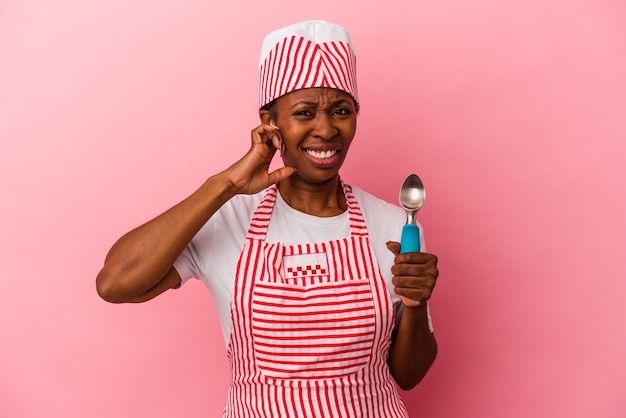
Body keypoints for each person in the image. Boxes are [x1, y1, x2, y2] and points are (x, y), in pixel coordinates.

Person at [97, 20, 439, 417]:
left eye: (341, 111)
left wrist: (414, 305)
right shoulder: (227, 219)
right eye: (305, 112)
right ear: (270, 122)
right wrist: (224, 185)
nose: (326, 129)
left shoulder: (397, 224)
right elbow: (115, 283)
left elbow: (409, 375)